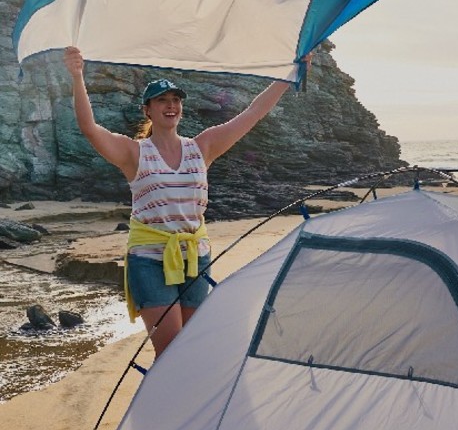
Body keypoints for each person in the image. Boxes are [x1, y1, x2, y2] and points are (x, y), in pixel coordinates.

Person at [64, 47, 301, 356]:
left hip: (195, 258)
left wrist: (289, 73)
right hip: (149, 261)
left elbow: (253, 113)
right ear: (148, 110)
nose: (171, 105)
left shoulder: (202, 147)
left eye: (176, 100)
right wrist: (77, 76)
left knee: (190, 351)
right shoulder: (133, 153)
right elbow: (89, 128)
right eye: (162, 100)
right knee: (170, 354)